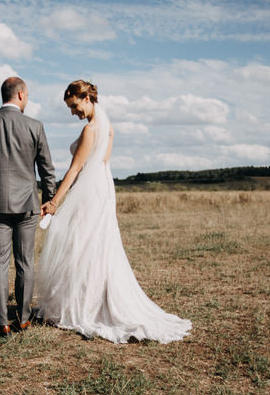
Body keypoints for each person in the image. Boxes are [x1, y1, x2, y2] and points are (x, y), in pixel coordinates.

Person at [36, 80, 191, 343]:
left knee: (81, 244)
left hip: (89, 191)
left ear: (86, 99)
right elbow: (103, 162)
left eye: (74, 107)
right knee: (98, 245)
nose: (74, 113)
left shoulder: (90, 130)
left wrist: (54, 202)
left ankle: (85, 305)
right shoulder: (108, 128)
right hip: (103, 190)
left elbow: (75, 170)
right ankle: (95, 300)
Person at [0, 76, 56, 336]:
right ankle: (24, 318)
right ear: (20, 94)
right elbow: (46, 168)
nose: (27, 99)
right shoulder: (35, 126)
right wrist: (49, 199)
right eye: (27, 95)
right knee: (25, 262)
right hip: (28, 205)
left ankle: (1, 323)